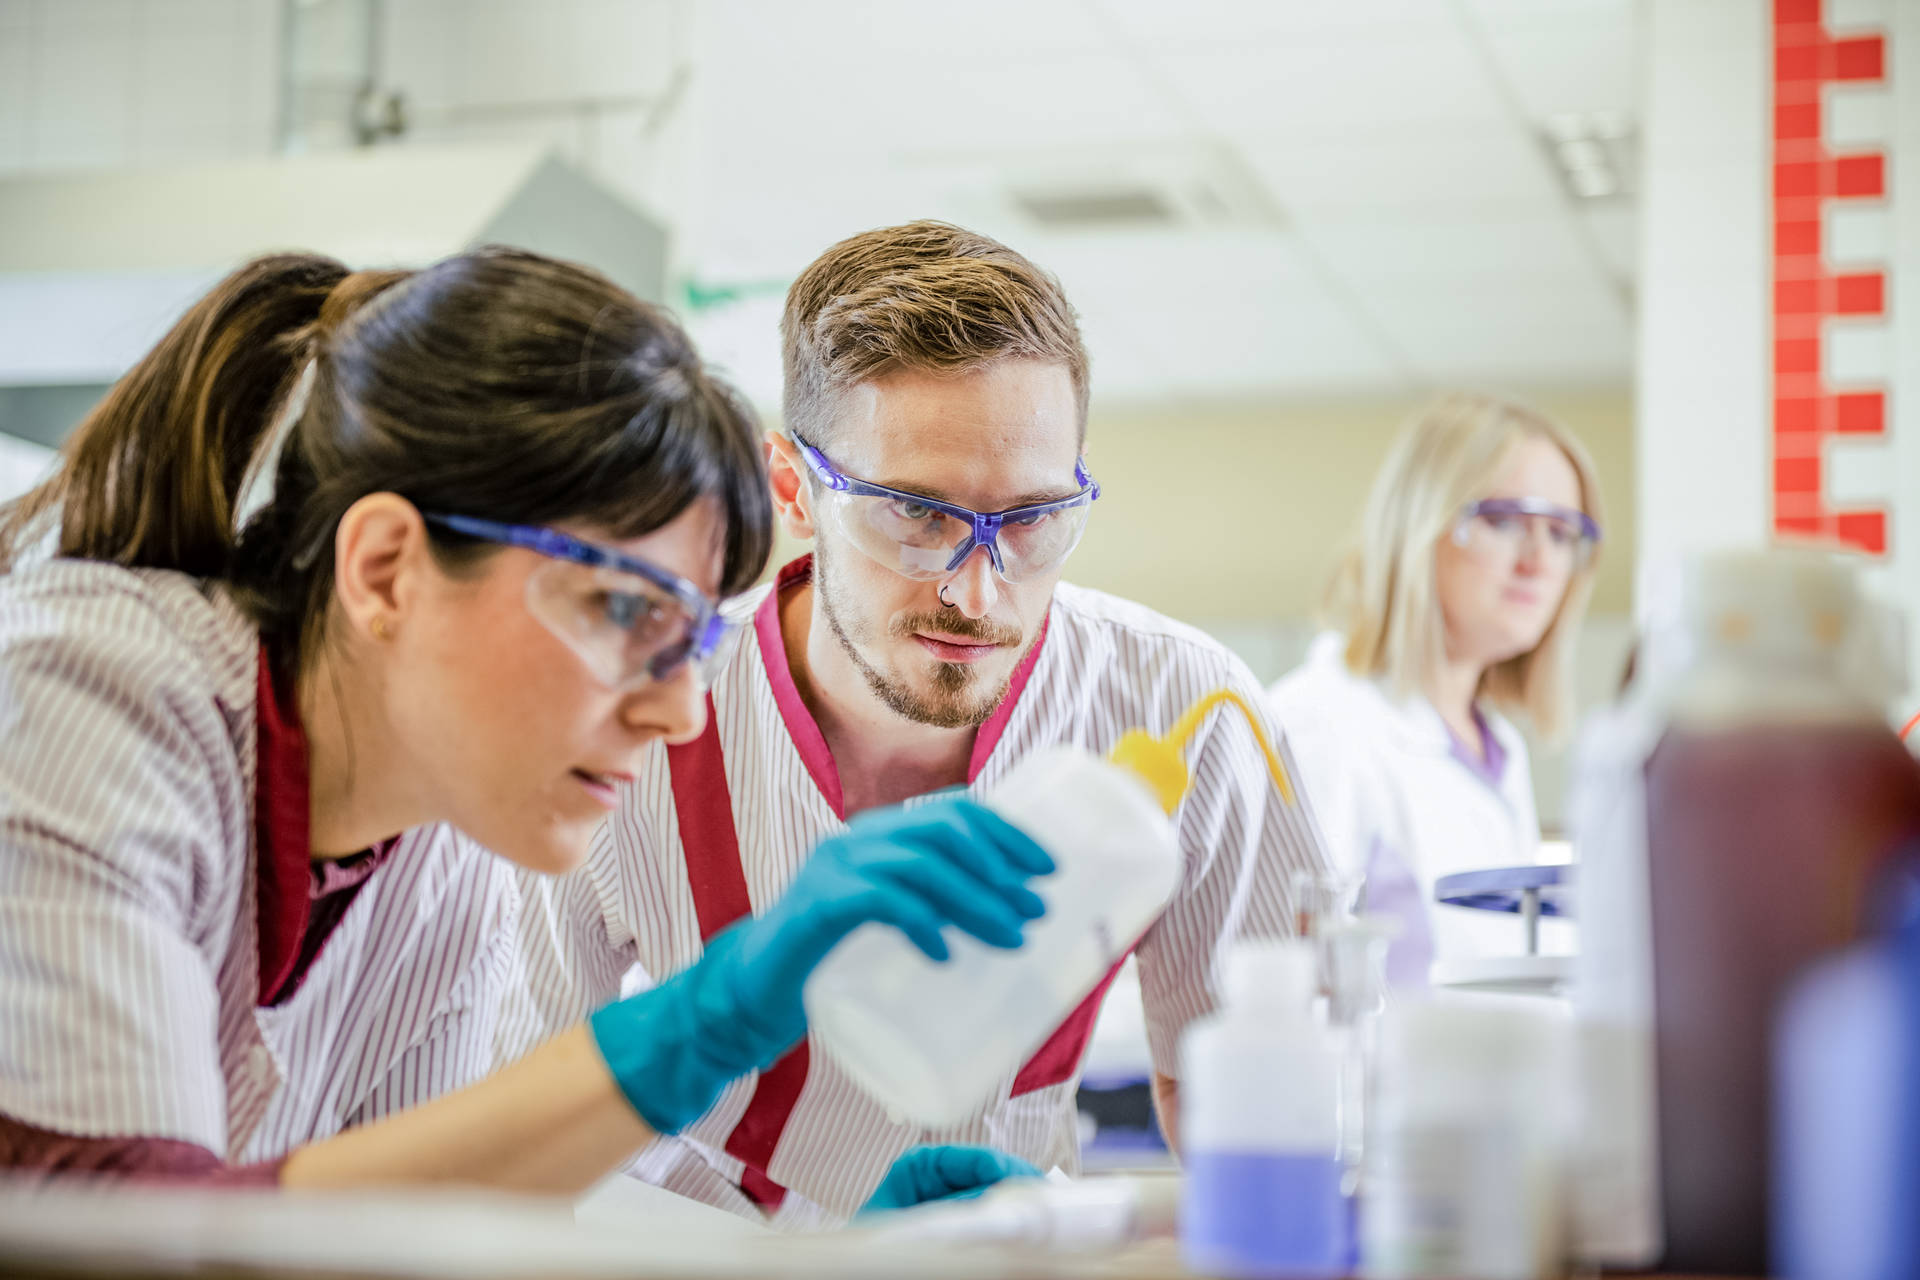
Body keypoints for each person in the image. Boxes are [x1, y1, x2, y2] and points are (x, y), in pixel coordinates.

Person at [0, 246, 1047, 1206]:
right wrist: (689, 1028)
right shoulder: (79, 696)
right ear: (385, 570)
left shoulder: (446, 843)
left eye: (692, 641)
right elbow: (108, 1239)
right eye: (626, 610)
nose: (681, 709)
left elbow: (426, 1240)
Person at [497, 221, 1333, 1228]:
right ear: (795, 488)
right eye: (915, 515)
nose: (978, 593)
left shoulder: (1179, 708)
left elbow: (1245, 1107)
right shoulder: (632, 714)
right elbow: (517, 1134)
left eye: (1031, 518)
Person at [1267, 392, 1604, 987]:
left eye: (1560, 533)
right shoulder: (1320, 726)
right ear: (1418, 526)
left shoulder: (1498, 748)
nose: (1538, 562)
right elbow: (1285, 990)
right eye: (1504, 521)